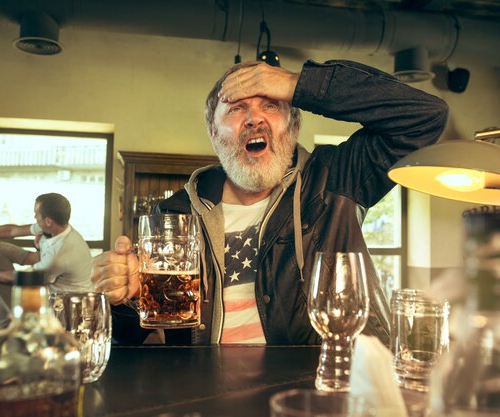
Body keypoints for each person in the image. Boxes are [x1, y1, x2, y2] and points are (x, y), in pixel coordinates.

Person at [92, 59, 449, 345]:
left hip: (325, 386)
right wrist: (125, 297)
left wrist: (299, 84)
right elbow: (130, 338)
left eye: (271, 105)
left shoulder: (336, 178)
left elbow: (425, 117)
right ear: (214, 134)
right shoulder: (175, 215)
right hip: (207, 391)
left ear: (292, 127)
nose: (253, 118)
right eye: (235, 108)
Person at [0, 193, 93, 293]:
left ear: (48, 221)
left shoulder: (58, 256)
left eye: (36, 214)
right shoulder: (56, 227)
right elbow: (12, 231)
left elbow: (21, 277)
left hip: (72, 308)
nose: (34, 217)